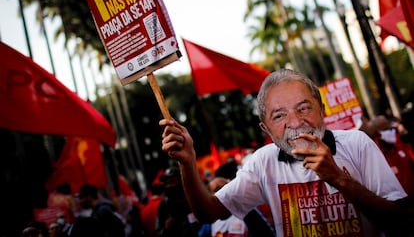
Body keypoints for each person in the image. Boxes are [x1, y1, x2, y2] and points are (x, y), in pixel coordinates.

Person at [160, 68, 413, 236]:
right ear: (266, 128)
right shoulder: (263, 162)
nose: (295, 122)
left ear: (322, 109)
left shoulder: (357, 144)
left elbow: (402, 223)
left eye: (304, 108)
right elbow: (207, 212)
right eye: (279, 115)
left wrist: (339, 179)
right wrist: (187, 162)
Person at [155, 166, 200, 237]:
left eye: (172, 182)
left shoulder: (194, 199)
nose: (168, 186)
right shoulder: (164, 206)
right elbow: (158, 232)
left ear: (181, 181)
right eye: (166, 183)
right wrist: (166, 228)